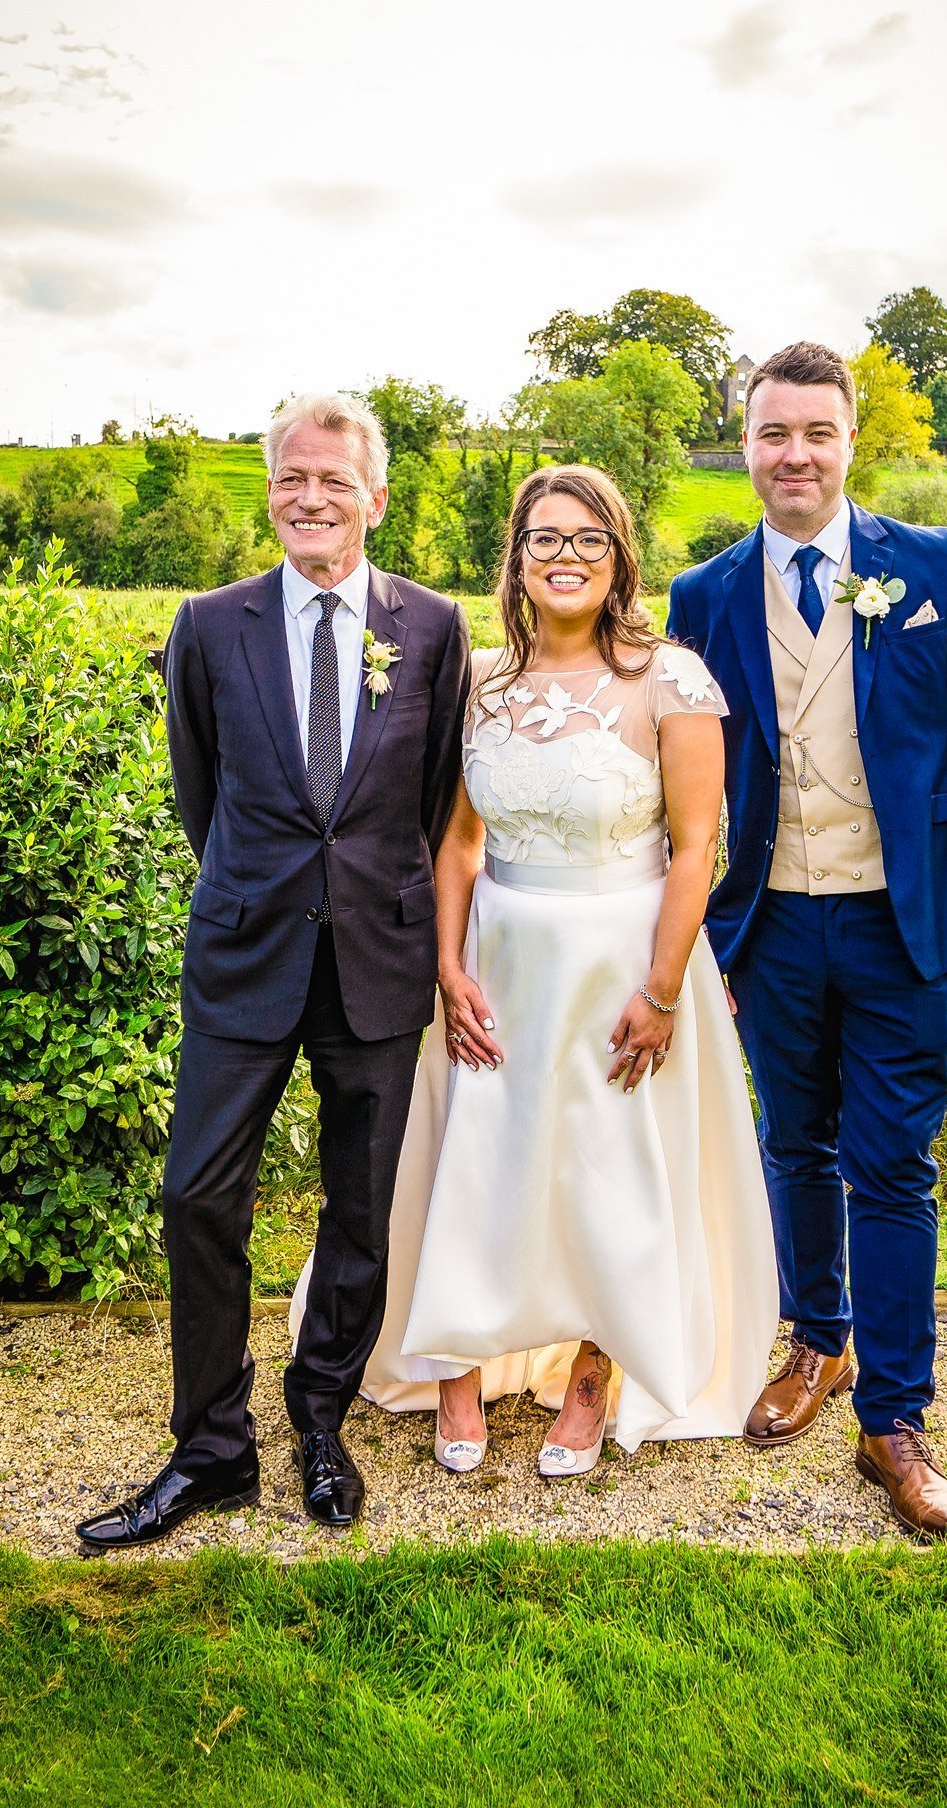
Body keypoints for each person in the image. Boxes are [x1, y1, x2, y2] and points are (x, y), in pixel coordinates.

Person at [291, 465, 776, 1471]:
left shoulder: (671, 679)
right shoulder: (481, 681)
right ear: (515, 560)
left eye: (588, 538)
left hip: (621, 956)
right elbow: (459, 841)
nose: (566, 557)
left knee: (608, 1166)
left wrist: (661, 989)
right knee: (479, 1153)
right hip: (498, 955)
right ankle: (458, 1364)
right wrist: (446, 967)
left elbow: (697, 848)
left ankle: (593, 1373)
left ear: (619, 557)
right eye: (544, 538)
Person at [76, 392, 469, 1549]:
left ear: (374, 498)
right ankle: (213, 1449)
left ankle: (320, 1418)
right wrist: (268, 888)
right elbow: (205, 795)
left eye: (334, 481)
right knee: (196, 1192)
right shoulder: (209, 623)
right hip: (245, 953)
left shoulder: (432, 628)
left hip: (378, 960)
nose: (311, 498)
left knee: (361, 1209)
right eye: (292, 478)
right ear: (271, 491)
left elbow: (439, 794)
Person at [668, 342, 947, 1540]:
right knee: (792, 1142)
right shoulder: (703, 595)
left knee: (896, 1164)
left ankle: (895, 1420)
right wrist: (697, 931)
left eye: (816, 432)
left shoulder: (929, 566)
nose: (795, 455)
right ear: (747, 443)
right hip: (769, 926)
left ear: (849, 439)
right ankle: (814, 1340)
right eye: (773, 433)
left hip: (904, 921)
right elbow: (685, 781)